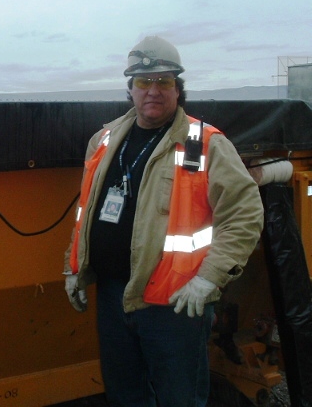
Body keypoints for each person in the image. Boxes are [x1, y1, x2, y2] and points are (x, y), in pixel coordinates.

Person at [63, 36, 264, 407]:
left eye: (164, 81)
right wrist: (74, 266)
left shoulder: (205, 144)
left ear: (178, 88)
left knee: (179, 398)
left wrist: (209, 279)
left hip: (175, 304)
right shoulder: (104, 141)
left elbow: (245, 214)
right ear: (131, 89)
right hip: (112, 297)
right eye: (143, 82)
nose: (153, 90)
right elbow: (87, 211)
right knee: (126, 397)